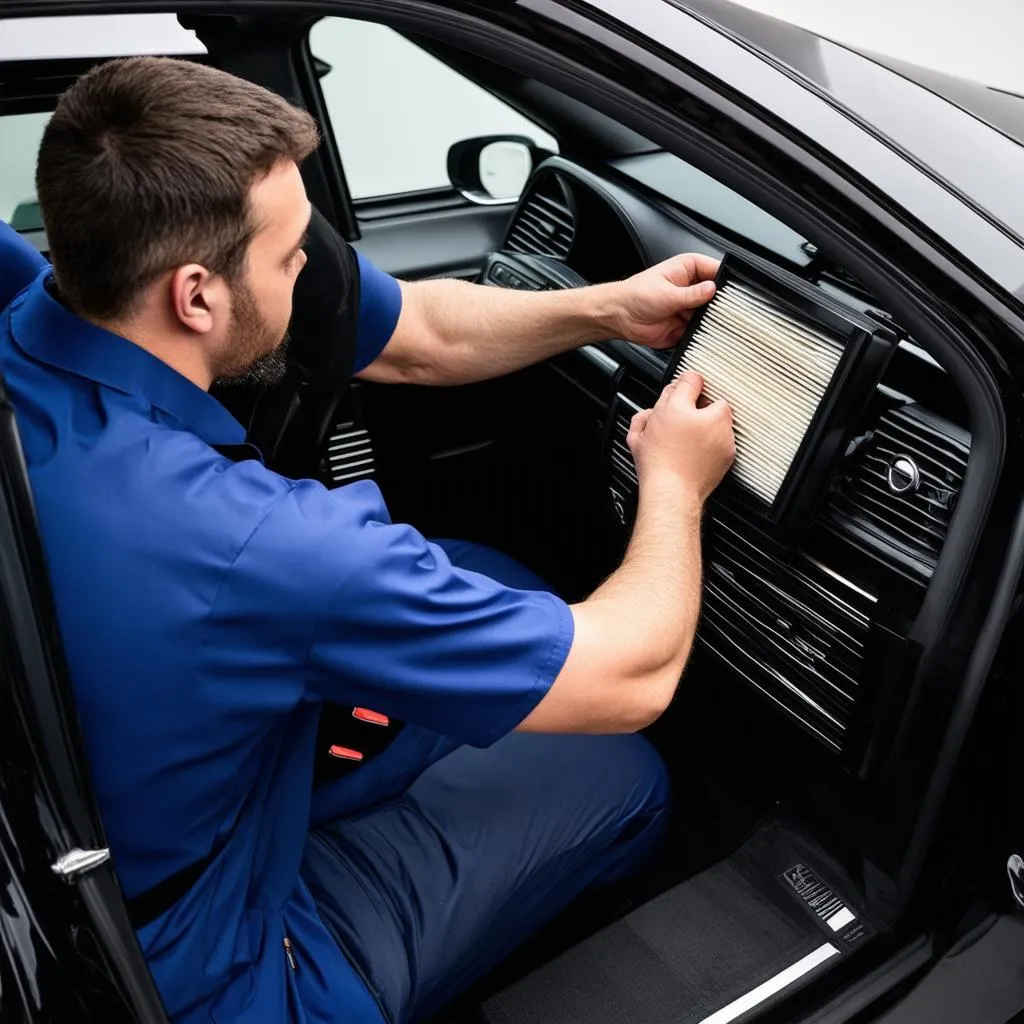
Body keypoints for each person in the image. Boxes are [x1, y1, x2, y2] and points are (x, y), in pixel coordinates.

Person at [0, 56, 734, 1024]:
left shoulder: (28, 292)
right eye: (294, 251)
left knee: (485, 572)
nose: (314, 265)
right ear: (196, 297)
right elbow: (631, 678)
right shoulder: (250, 540)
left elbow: (414, 330)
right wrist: (675, 484)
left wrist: (605, 308)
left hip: (100, 774)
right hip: (200, 970)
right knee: (613, 771)